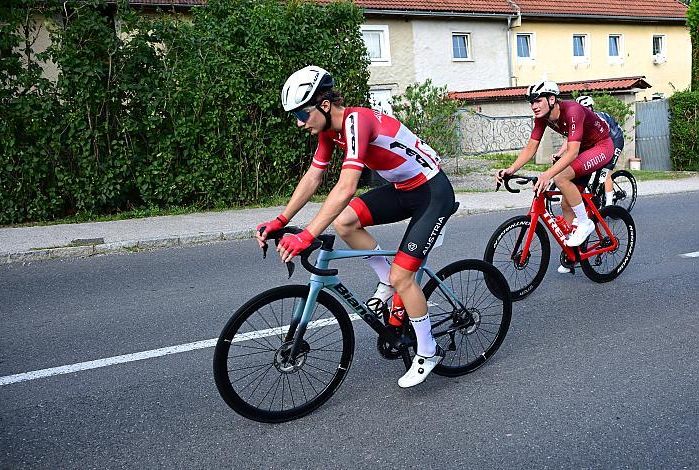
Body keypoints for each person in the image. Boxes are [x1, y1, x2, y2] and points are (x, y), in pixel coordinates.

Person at [255, 65, 456, 388]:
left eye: (302, 114)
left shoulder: (356, 121)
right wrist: (281, 220)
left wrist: (308, 235)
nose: (298, 123)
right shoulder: (327, 131)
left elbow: (346, 186)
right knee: (346, 221)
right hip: (404, 190)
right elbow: (313, 178)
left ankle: (428, 350)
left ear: (323, 105)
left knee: (403, 275)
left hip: (433, 192)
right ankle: (387, 283)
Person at [494, 80, 615, 249]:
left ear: (551, 99)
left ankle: (584, 223)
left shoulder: (573, 111)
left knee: (561, 178)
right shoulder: (542, 118)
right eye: (531, 102)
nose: (534, 106)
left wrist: (547, 174)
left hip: (601, 146)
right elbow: (531, 147)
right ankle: (573, 254)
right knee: (566, 203)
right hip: (583, 150)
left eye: (537, 101)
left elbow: (572, 152)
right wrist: (511, 169)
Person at [551, 95, 625, 273]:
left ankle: (608, 204)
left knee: (605, 173)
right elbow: (569, 141)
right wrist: (560, 154)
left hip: (612, 140)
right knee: (566, 201)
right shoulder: (572, 119)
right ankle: (572, 253)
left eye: (588, 107)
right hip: (587, 148)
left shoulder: (593, 116)